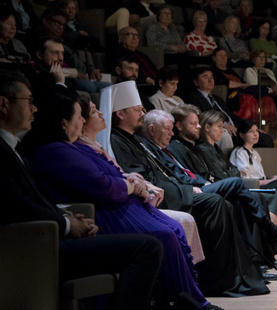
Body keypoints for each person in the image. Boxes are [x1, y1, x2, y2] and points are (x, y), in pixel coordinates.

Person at [24, 89, 223, 309]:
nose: (82, 121)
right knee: (164, 235)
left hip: (118, 205)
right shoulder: (57, 150)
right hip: (107, 211)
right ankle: (187, 301)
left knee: (173, 229)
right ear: (64, 123)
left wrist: (132, 183)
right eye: (80, 115)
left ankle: (187, 299)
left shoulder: (67, 148)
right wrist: (130, 185)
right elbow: (101, 184)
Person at [0, 71, 165, 310]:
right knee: (148, 247)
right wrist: (66, 224)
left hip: (47, 234)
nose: (34, 109)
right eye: (28, 101)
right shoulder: (18, 150)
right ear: (4, 104)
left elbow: (32, 200)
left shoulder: (15, 146)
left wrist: (66, 216)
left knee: (150, 243)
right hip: (33, 247)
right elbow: (15, 205)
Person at [99, 81, 269, 297]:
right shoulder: (117, 140)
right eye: (137, 110)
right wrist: (187, 191)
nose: (142, 113)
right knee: (215, 201)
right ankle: (217, 280)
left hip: (173, 191)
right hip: (160, 198)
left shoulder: (137, 140)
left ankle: (239, 274)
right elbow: (145, 180)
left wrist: (189, 187)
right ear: (121, 114)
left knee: (225, 202)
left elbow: (167, 171)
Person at [169, 104, 277, 232]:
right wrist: (229, 174)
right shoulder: (188, 147)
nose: (198, 126)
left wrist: (230, 173)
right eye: (219, 126)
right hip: (206, 188)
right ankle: (272, 233)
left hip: (218, 184)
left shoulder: (200, 148)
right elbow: (218, 175)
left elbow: (232, 170)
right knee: (253, 189)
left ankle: (270, 240)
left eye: (198, 123)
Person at [210, 48, 277, 125]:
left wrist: (244, 85)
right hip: (232, 95)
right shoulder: (213, 71)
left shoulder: (230, 70)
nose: (223, 57)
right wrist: (243, 85)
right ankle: (248, 125)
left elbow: (242, 82)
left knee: (266, 98)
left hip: (243, 91)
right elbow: (226, 83)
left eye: (225, 55)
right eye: (220, 55)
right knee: (251, 96)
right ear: (214, 58)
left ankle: (264, 129)